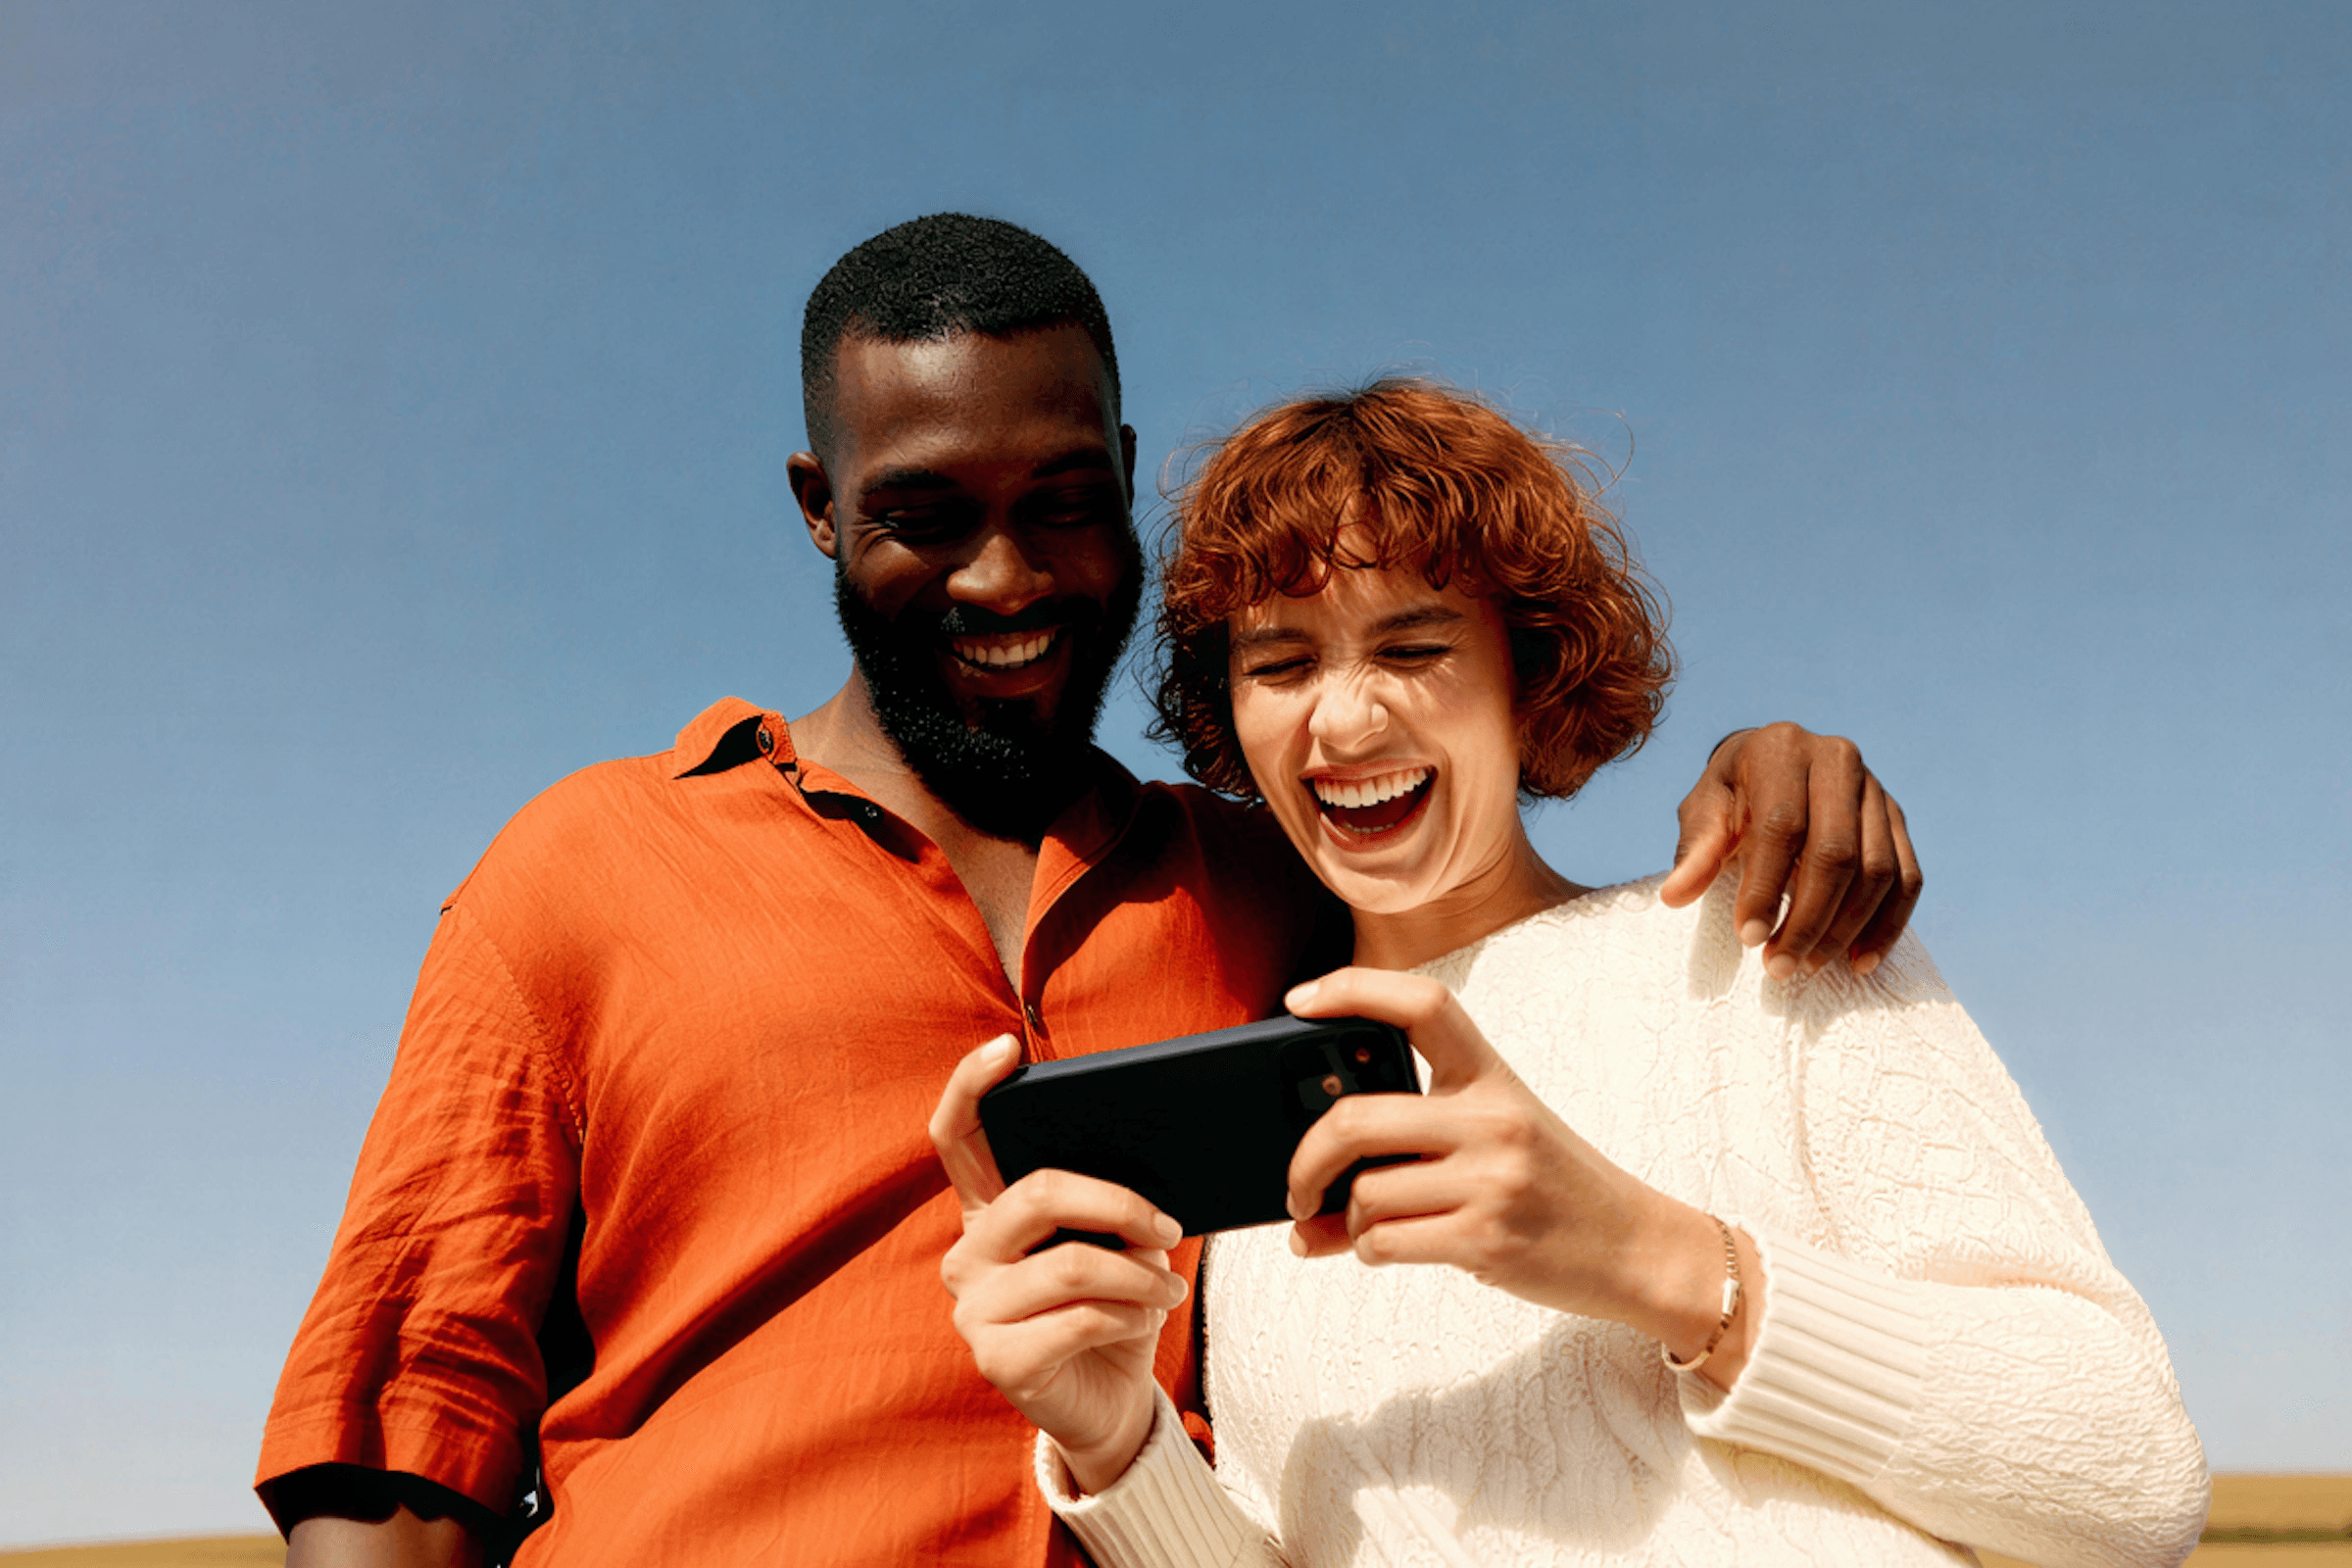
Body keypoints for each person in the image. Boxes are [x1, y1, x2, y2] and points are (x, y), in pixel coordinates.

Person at [258, 217, 1927, 1568]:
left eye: (1062, 504)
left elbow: (1508, 897)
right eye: (921, 517)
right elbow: (406, 1430)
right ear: (818, 510)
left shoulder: (1272, 887)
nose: (1006, 579)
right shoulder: (582, 871)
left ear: (1125, 478)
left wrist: (1771, 768)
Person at [931, 380, 2209, 1566]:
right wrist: (1118, 1439)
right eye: (1282, 663)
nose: (1344, 720)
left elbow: (2135, 1479)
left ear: (1527, 676)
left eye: (1415, 647)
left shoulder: (1753, 947)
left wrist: (1648, 1259)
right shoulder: (1281, 1136)